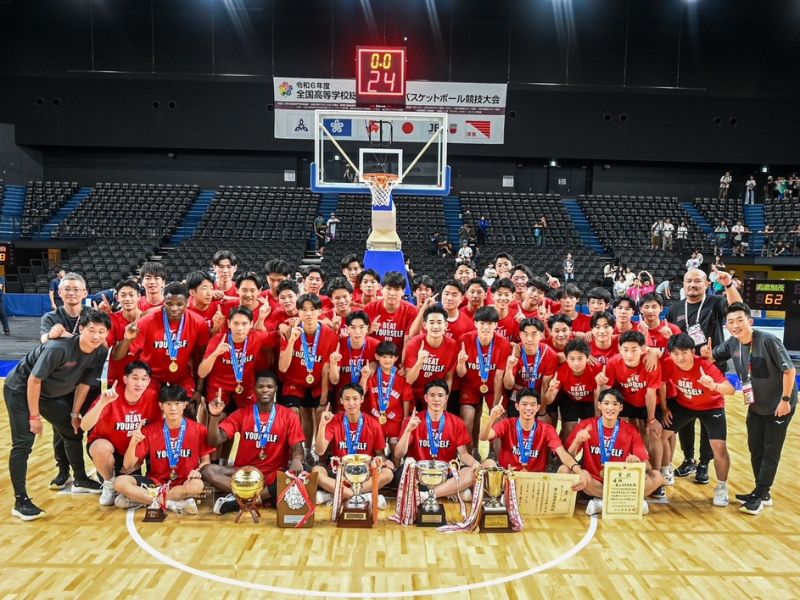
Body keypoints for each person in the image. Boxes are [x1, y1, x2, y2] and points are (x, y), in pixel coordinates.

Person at [5, 310, 111, 520]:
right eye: (91, 330)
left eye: (102, 331)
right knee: (23, 442)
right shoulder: (59, 348)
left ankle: (80, 479)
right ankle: (20, 501)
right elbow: (34, 381)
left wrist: (73, 413)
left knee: (72, 430)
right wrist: (34, 417)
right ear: (81, 329)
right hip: (20, 389)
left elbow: (84, 384)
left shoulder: (100, 352)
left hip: (51, 394)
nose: (96, 336)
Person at [703, 303, 797, 515]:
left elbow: (789, 371)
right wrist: (707, 353)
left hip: (778, 406)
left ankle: (760, 494)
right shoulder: (733, 343)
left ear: (749, 322)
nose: (735, 326)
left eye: (739, 321)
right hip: (756, 405)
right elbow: (712, 356)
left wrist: (784, 400)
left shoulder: (768, 341)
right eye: (730, 322)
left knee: (770, 451)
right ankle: (761, 491)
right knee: (755, 449)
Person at [667, 267, 742, 484]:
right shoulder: (676, 308)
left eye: (697, 281)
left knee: (708, 417)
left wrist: (728, 285)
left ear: (706, 284)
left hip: (711, 366)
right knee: (686, 417)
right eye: (689, 281)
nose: (693, 285)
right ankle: (688, 459)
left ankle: (703, 464)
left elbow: (737, 308)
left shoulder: (716, 303)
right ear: (683, 283)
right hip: (684, 368)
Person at [202, 370, 305, 514]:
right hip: (244, 474)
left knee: (300, 473)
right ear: (254, 389)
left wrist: (297, 460)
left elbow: (297, 448)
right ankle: (259, 497)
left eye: (269, 387)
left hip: (273, 474)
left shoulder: (289, 416)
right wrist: (214, 415)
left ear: (275, 389)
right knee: (207, 471)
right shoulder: (242, 413)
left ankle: (241, 501)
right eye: (261, 386)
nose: (265, 390)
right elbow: (214, 441)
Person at [660, 334, 734, 507]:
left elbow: (730, 389)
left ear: (693, 352)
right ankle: (664, 471)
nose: (680, 358)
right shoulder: (669, 363)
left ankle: (722, 487)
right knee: (658, 435)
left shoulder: (705, 366)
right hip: (684, 406)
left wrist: (713, 386)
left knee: (719, 447)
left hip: (712, 407)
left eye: (684, 353)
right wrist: (664, 408)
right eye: (675, 353)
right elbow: (662, 384)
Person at [564, 388, 664, 516]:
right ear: (599, 405)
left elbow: (648, 466)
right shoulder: (586, 425)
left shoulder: (630, 430)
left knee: (657, 476)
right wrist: (577, 441)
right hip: (594, 482)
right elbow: (567, 459)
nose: (610, 407)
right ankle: (627, 503)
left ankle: (602, 503)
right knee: (577, 474)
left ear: (621, 407)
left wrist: (637, 463)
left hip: (621, 484)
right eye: (606, 403)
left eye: (615, 404)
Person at [114, 385, 212, 514]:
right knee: (120, 482)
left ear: (184, 405)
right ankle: (170, 503)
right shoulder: (149, 431)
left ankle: (144, 500)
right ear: (161, 405)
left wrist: (198, 471)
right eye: (168, 403)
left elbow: (206, 461)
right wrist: (133, 442)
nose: (173, 408)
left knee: (197, 486)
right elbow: (127, 466)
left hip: (184, 481)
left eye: (177, 403)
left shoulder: (199, 430)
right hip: (156, 482)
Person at [80, 361, 160, 506]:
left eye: (144, 379)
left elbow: (156, 431)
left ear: (149, 381)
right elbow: (84, 425)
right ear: (125, 379)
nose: (139, 383)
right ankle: (108, 482)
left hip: (132, 449)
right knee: (100, 448)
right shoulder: (111, 396)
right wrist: (102, 403)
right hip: (108, 449)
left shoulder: (152, 397)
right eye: (134, 378)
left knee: (126, 496)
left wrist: (139, 460)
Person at [39, 272, 91, 490]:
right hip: (59, 383)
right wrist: (51, 335)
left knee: (91, 425)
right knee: (61, 429)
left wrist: (68, 338)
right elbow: (43, 341)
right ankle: (63, 471)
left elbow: (98, 342)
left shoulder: (92, 314)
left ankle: (101, 468)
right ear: (60, 292)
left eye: (76, 289)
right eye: (67, 289)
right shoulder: (51, 318)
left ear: (85, 293)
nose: (72, 293)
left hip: (87, 381)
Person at [114, 281, 210, 397]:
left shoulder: (198, 322)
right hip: (151, 378)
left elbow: (203, 358)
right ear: (163, 302)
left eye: (179, 304)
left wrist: (199, 390)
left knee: (187, 409)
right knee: (153, 408)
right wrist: (127, 339)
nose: (174, 308)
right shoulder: (147, 321)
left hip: (181, 377)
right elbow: (117, 356)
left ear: (187, 303)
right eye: (169, 304)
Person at [393, 380, 479, 500]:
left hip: (445, 474)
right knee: (401, 475)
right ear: (426, 398)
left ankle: (428, 495)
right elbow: (398, 454)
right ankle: (448, 491)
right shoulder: (412, 420)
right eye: (432, 395)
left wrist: (476, 464)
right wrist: (408, 430)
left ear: (446, 399)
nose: (436, 399)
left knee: (471, 473)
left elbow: (463, 454)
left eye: (440, 395)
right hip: (419, 475)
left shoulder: (457, 422)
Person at [277, 293, 338, 456]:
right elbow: (283, 368)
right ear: (298, 312)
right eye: (304, 309)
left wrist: (324, 397)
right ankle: (299, 453)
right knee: (294, 414)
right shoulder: (290, 330)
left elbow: (326, 368)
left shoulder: (329, 334)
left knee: (321, 413)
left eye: (312, 309)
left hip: (319, 382)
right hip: (294, 382)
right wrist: (291, 341)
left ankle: (323, 457)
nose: (308, 313)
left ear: (320, 311)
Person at [313, 384, 394, 506]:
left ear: (362, 399)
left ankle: (337, 494)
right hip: (339, 472)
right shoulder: (334, 420)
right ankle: (356, 495)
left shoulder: (373, 424)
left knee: (388, 474)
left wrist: (384, 461)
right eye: (347, 399)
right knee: (316, 471)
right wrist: (322, 424)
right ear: (341, 401)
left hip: (364, 474)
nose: (351, 403)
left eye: (355, 399)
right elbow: (320, 451)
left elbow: (380, 455)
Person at [481, 390, 584, 478]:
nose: (529, 408)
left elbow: (562, 453)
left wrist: (578, 471)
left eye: (533, 405)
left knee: (566, 469)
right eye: (524, 404)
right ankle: (499, 496)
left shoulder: (547, 429)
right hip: (509, 476)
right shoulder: (507, 423)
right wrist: (492, 419)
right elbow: (483, 437)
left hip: (535, 479)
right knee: (487, 464)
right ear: (517, 406)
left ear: (538, 407)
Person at [198, 306, 278, 413]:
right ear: (229, 323)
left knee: (252, 417)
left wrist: (283, 327)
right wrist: (215, 354)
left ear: (251, 324)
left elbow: (279, 336)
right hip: (219, 387)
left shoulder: (257, 337)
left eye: (244, 324)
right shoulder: (218, 340)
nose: (240, 328)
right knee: (216, 416)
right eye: (235, 323)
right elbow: (201, 373)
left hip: (246, 387)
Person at [457, 306, 511, 449]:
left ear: (496, 325)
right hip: (470, 385)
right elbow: (461, 373)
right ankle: (470, 455)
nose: (485, 327)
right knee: (468, 417)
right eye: (482, 323)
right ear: (475, 323)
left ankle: (497, 459)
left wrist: (496, 403)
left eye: (490, 323)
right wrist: (461, 363)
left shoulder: (504, 344)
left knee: (498, 418)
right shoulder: (464, 339)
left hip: (493, 387)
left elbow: (499, 376)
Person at [545, 338, 601, 445]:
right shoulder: (561, 371)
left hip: (590, 400)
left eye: (580, 358)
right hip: (569, 399)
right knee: (568, 428)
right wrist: (551, 390)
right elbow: (548, 401)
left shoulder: (596, 368)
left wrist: (597, 418)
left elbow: (597, 396)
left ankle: (586, 459)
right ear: (566, 359)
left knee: (591, 429)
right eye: (572, 359)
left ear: (588, 357)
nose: (576, 363)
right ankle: (563, 457)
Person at [363, 341, 412, 458]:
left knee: (395, 447)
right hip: (375, 418)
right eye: (384, 356)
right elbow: (362, 393)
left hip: (395, 419)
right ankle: (382, 470)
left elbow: (406, 398)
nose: (387, 360)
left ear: (396, 358)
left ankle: (396, 470)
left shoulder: (401, 376)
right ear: (377, 357)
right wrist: (364, 377)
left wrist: (405, 419)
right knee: (377, 450)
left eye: (391, 357)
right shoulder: (372, 375)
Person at [404, 306, 458, 402]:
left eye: (439, 322)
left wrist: (444, 402)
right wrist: (419, 363)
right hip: (414, 395)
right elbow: (409, 380)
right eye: (431, 322)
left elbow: (449, 377)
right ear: (424, 325)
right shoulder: (414, 343)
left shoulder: (452, 345)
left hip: (436, 396)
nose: (436, 326)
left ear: (446, 325)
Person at [364, 271, 418, 356]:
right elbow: (359, 337)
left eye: (397, 289)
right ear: (381, 289)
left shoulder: (412, 311)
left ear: (403, 291)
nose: (392, 293)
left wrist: (404, 364)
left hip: (398, 361)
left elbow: (409, 341)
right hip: (373, 360)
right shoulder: (369, 309)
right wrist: (369, 330)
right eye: (388, 288)